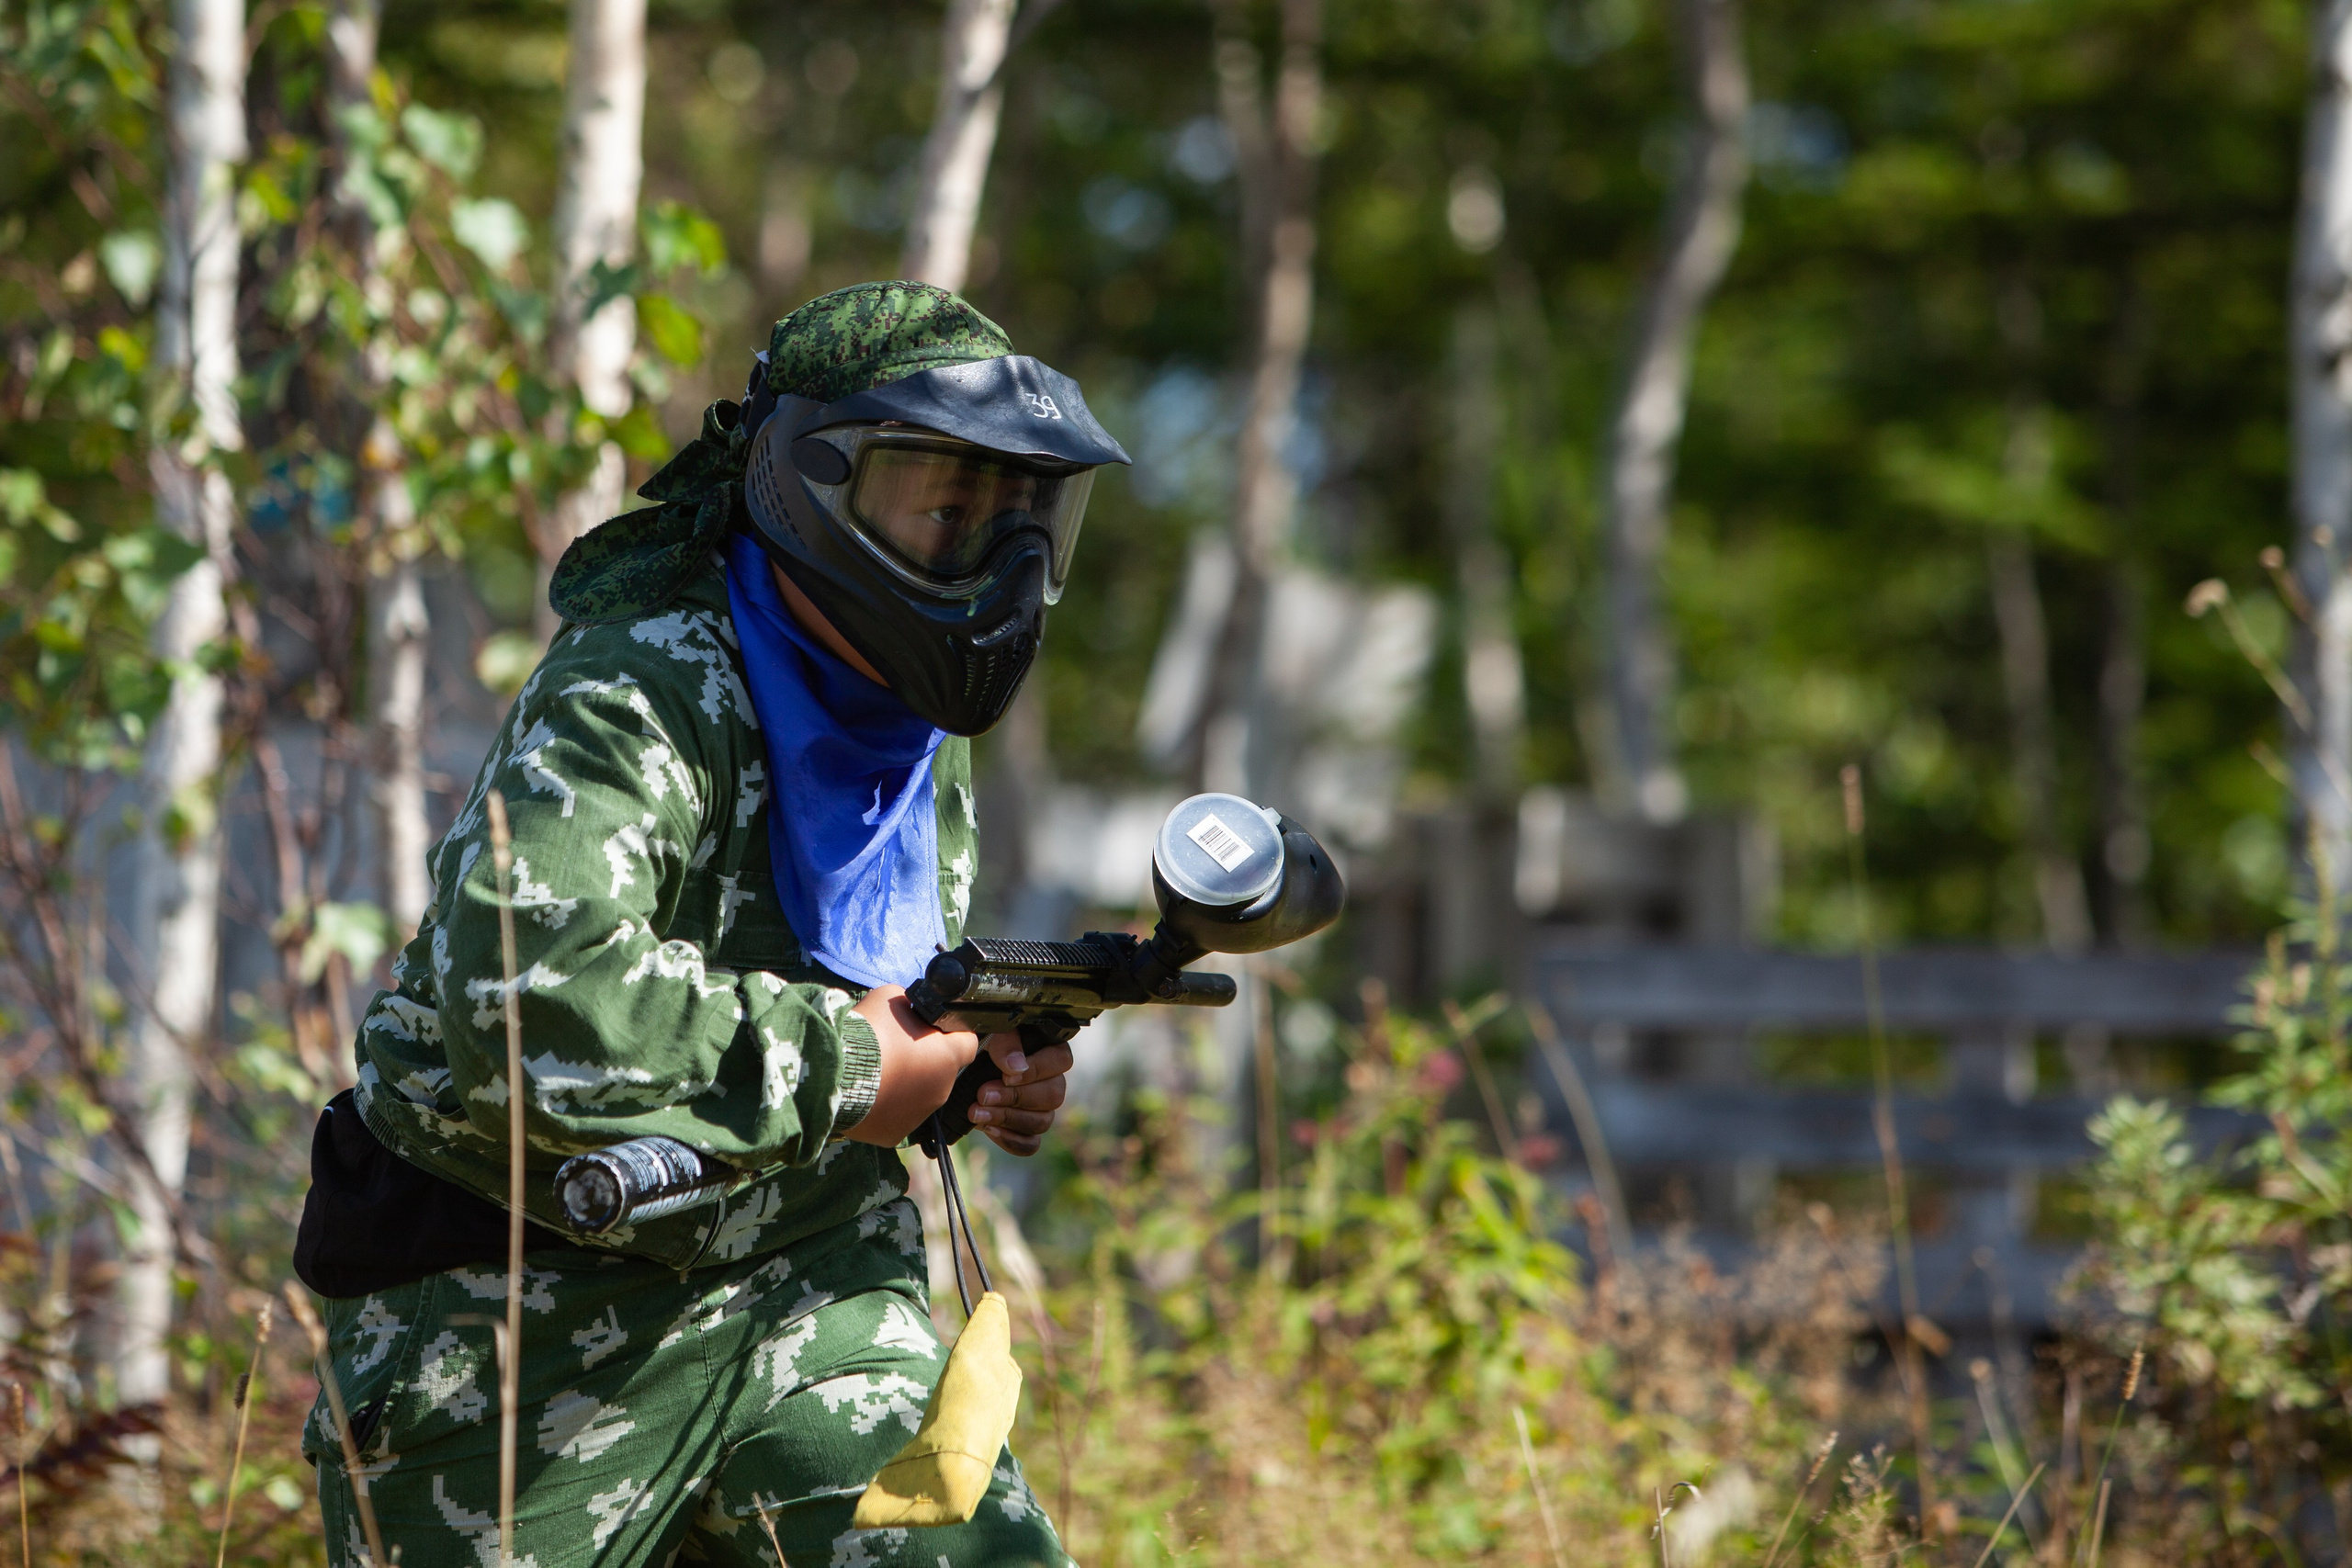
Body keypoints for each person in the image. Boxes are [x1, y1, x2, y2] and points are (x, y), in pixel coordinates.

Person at [292, 281, 1129, 1566]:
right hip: (516, 1324)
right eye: (951, 511)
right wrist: (854, 1065)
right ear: (815, 486)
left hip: (811, 1276)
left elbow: (857, 988)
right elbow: (528, 1008)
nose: (999, 564)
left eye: (1026, 519)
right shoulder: (637, 692)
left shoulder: (905, 722)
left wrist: (968, 1077)